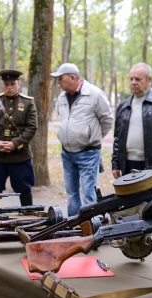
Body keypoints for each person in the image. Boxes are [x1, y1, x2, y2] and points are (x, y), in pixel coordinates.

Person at [51, 63, 114, 216]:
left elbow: (107, 120)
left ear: (72, 77)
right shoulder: (61, 97)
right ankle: (74, 224)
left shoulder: (94, 94)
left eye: (61, 78)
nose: (58, 82)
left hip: (88, 153)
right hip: (67, 153)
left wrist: (93, 137)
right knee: (71, 192)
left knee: (88, 193)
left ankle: (91, 226)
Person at [111, 62, 152, 179]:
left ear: (149, 79)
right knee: (131, 197)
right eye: (131, 79)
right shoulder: (123, 106)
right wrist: (115, 164)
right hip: (127, 165)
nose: (133, 82)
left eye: (138, 79)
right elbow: (118, 138)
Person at [0, 70, 38, 206]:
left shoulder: (28, 103)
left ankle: (28, 215)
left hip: (20, 155)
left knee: (24, 188)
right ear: (2, 85)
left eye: (12, 84)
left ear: (19, 84)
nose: (9, 87)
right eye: (6, 84)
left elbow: (32, 128)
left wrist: (15, 143)